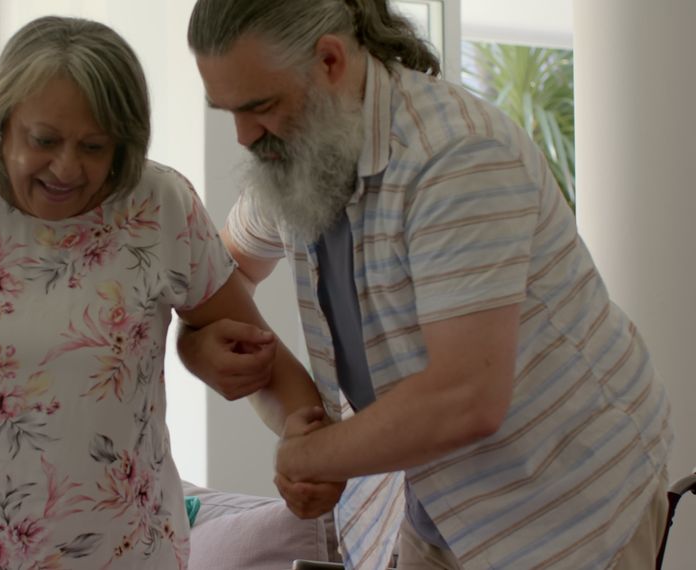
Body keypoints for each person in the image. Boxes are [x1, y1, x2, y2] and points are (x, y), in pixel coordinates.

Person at [0, 16, 321, 570]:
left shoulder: (159, 204)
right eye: (44, 140)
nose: (68, 167)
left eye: (95, 147)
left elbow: (255, 354)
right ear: (1, 122)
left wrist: (306, 438)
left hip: (128, 552)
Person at [178, 1, 673, 568]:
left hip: (564, 504)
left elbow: (466, 398)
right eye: (227, 111)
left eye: (260, 106)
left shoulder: (456, 156)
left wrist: (313, 455)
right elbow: (220, 275)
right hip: (429, 503)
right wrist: (200, 346)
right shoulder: (294, 154)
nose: (243, 136)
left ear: (331, 61)